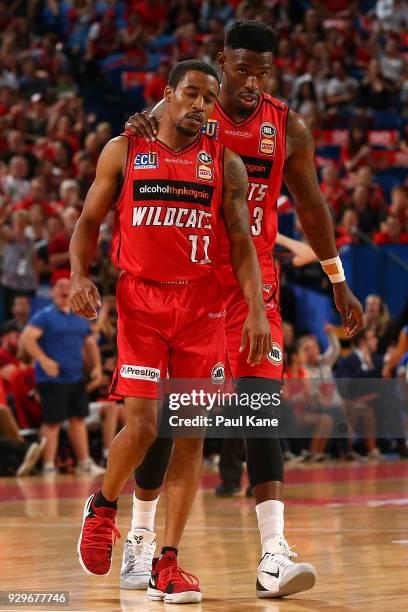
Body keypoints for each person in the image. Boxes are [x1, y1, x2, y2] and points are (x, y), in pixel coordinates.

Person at [123, 19, 363, 600]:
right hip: (192, 282)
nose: (253, 82)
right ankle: (139, 537)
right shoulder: (183, 111)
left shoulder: (287, 128)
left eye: (264, 72)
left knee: (260, 405)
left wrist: (337, 278)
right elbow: (137, 148)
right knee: (172, 422)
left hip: (256, 283)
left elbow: (310, 205)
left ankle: (273, 554)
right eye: (242, 69)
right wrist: (138, 127)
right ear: (222, 62)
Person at [71, 59, 271, 603]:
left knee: (189, 435)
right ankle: (104, 505)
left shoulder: (224, 163)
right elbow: (88, 220)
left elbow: (243, 244)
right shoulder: (124, 149)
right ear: (168, 95)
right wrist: (79, 274)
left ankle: (169, 560)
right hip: (142, 300)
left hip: (203, 305)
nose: (201, 105)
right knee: (142, 426)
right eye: (191, 94)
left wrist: (255, 307)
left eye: (209, 97)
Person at [20, 275, 105, 476]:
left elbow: (90, 343)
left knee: (78, 419)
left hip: (75, 377)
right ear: (52, 292)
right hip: (51, 378)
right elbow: (27, 339)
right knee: (53, 422)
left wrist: (97, 367)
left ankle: (85, 463)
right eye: (59, 287)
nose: (64, 290)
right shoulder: (44, 315)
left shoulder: (79, 315)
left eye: (67, 286)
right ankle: (48, 465)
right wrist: (44, 360)